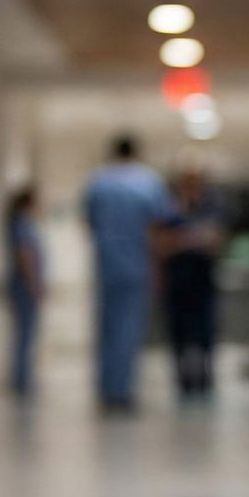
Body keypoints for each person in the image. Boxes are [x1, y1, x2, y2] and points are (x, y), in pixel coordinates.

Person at [82, 134, 171, 410]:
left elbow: (89, 221)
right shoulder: (148, 181)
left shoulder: (98, 181)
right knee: (129, 332)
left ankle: (107, 392)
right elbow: (157, 228)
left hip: (107, 265)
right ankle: (122, 393)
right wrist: (156, 269)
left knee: (107, 331)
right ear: (136, 152)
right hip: (136, 266)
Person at [160, 166, 227, 399]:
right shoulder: (169, 209)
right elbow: (162, 246)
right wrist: (195, 239)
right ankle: (183, 381)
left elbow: (215, 242)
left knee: (205, 334)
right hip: (177, 282)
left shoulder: (213, 207)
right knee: (179, 334)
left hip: (203, 282)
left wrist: (182, 240)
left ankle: (205, 379)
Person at [5, 185, 45, 399]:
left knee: (26, 334)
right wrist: (34, 284)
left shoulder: (21, 223)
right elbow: (25, 256)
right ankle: (21, 381)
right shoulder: (22, 224)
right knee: (25, 335)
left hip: (23, 286)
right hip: (25, 287)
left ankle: (23, 378)